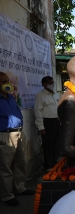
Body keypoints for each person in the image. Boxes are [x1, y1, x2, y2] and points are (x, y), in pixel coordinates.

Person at [0, 72, 35, 206]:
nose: (7, 84)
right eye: (3, 82)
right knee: (5, 167)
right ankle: (7, 195)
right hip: (5, 135)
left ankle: (19, 188)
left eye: (7, 81)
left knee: (19, 163)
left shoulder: (10, 97)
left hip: (18, 133)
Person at [34, 76, 60, 172]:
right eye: (50, 83)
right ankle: (48, 165)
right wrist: (41, 126)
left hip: (56, 121)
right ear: (44, 84)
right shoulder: (40, 95)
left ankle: (55, 162)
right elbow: (38, 111)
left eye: (53, 82)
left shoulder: (55, 94)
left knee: (56, 143)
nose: (52, 85)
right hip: (47, 122)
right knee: (48, 145)